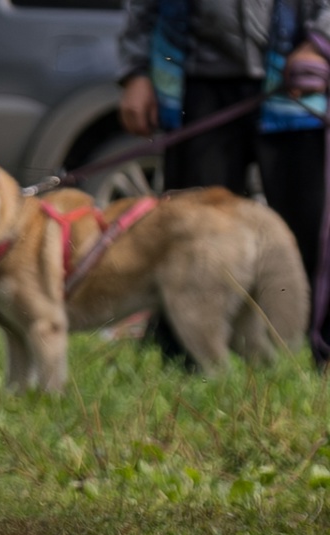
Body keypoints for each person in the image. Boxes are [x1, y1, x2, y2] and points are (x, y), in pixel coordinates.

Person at [117, 0, 330, 369]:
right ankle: (184, 358)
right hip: (197, 81)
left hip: (295, 78)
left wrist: (320, 42)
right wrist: (136, 71)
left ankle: (319, 355)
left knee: (310, 227)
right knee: (192, 236)